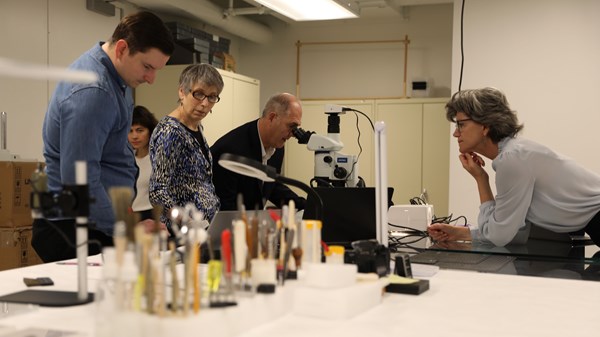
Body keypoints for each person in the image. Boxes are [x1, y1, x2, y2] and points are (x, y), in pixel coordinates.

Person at [32, 11, 175, 262]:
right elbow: (80, 181)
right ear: (121, 48)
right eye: (147, 67)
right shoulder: (94, 92)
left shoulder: (117, 79)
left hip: (95, 219)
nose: (151, 79)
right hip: (74, 226)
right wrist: (127, 228)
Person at [428, 87, 600, 247]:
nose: (456, 133)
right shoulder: (515, 153)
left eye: (461, 124)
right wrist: (461, 232)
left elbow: (499, 236)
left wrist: (481, 180)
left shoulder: (512, 159)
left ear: (485, 126)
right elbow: (513, 229)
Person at [149, 63, 224, 231]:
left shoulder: (196, 126)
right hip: (184, 234)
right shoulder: (171, 131)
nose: (205, 103)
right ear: (182, 92)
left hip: (205, 228)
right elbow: (157, 192)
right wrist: (186, 222)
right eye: (199, 94)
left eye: (212, 96)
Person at [211, 92, 306, 211]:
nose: (293, 134)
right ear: (272, 117)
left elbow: (272, 185)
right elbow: (224, 206)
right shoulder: (231, 149)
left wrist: (306, 206)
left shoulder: (277, 147)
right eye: (291, 126)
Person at [129, 105, 159, 221]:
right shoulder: (126, 159)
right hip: (130, 216)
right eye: (130, 131)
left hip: (152, 216)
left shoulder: (158, 159)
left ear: (150, 131)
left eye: (140, 130)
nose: (134, 136)